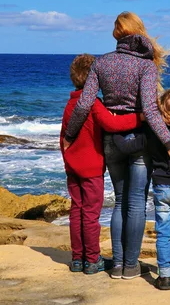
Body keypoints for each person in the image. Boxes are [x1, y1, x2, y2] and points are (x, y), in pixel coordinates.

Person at [62, 12, 170, 280]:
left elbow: (85, 103)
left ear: (116, 34)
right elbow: (151, 112)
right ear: (139, 31)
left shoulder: (101, 63)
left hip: (111, 141)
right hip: (139, 141)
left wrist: (71, 134)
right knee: (136, 204)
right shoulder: (146, 66)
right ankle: (131, 265)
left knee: (120, 202)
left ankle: (116, 265)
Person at [113, 89, 170, 290]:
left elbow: (128, 148)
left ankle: (165, 277)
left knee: (163, 234)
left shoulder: (152, 132)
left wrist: (115, 135)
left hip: (161, 190)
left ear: (161, 110)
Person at [60, 54, 142, 275]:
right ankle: (92, 259)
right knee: (90, 215)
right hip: (91, 168)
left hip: (73, 167)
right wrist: (140, 117)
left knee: (76, 211)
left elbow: (63, 138)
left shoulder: (69, 104)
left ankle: (77, 259)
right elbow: (113, 123)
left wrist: (68, 162)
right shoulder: (92, 104)